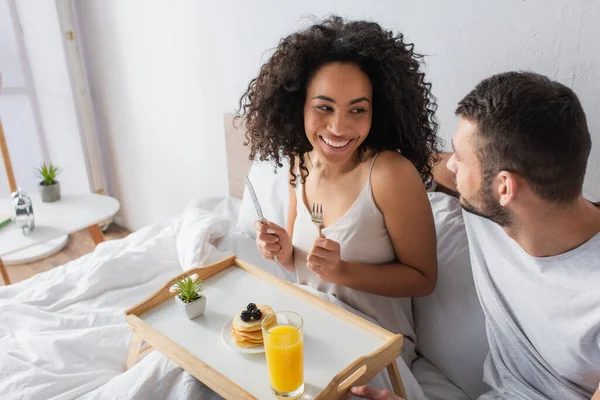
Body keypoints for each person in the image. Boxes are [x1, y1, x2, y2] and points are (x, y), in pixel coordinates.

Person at [352, 71, 600, 399]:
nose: (450, 165)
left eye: (460, 157)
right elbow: (419, 165)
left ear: (505, 187)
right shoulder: (499, 206)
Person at [237, 16, 439, 364]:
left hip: (374, 347)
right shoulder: (297, 166)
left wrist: (344, 271)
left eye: (357, 109)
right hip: (310, 330)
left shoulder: (390, 175)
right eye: (324, 107)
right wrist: (282, 250)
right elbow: (301, 266)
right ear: (298, 104)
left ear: (378, 111)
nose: (339, 127)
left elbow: (423, 280)